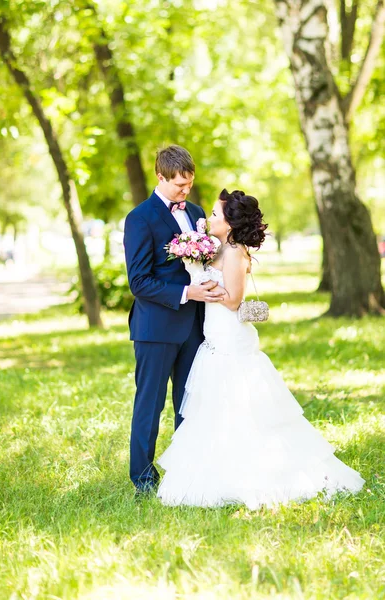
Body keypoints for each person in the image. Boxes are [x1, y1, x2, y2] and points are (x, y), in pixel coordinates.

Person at [157, 189, 364, 509]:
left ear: (230, 222)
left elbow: (235, 300)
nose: (208, 218)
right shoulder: (219, 248)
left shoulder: (235, 252)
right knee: (215, 409)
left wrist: (203, 285)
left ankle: (263, 474)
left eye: (214, 214)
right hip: (215, 339)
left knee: (242, 407)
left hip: (230, 339)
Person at [124, 145, 226, 495]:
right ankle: (143, 478)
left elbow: (205, 262)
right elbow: (138, 281)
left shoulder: (196, 211)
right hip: (155, 327)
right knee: (150, 405)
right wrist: (187, 293)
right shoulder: (140, 218)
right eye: (179, 185)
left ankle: (186, 473)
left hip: (195, 327)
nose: (186, 192)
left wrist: (211, 282)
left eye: (189, 185)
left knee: (189, 402)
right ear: (160, 176)